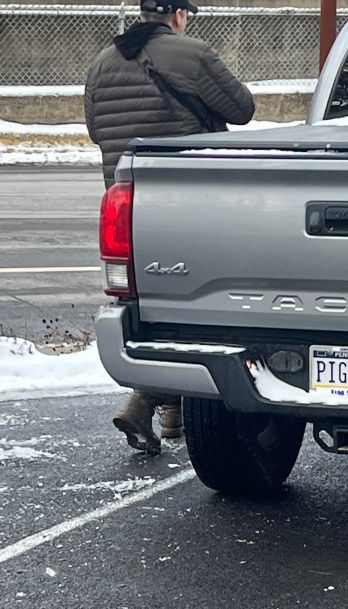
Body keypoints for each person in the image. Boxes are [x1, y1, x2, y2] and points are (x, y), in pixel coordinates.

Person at [85, 0, 255, 454]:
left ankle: (171, 415)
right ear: (178, 15)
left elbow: (93, 128)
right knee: (197, 312)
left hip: (128, 204)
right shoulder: (193, 53)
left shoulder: (103, 61)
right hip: (191, 203)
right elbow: (243, 109)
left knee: (155, 309)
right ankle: (148, 406)